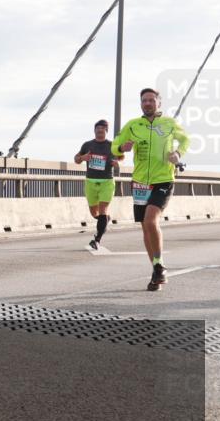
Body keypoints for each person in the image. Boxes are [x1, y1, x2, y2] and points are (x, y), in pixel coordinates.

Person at [111, 88, 189, 291]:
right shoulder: (133, 125)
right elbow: (115, 145)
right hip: (139, 182)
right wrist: (121, 148)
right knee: (145, 227)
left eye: (151, 100)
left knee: (150, 220)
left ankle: (159, 266)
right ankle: (156, 268)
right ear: (141, 104)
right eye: (144, 100)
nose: (147, 103)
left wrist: (178, 153)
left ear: (158, 103)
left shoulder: (169, 123)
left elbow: (185, 139)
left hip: (163, 179)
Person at [74, 119, 121, 250]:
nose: (100, 130)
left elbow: (121, 157)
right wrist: (82, 158)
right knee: (94, 213)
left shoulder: (112, 145)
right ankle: (105, 219)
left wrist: (118, 164)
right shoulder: (87, 145)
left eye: (102, 128)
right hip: (90, 182)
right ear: (94, 130)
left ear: (106, 131)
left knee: (102, 210)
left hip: (107, 182)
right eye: (97, 128)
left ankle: (97, 240)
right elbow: (76, 159)